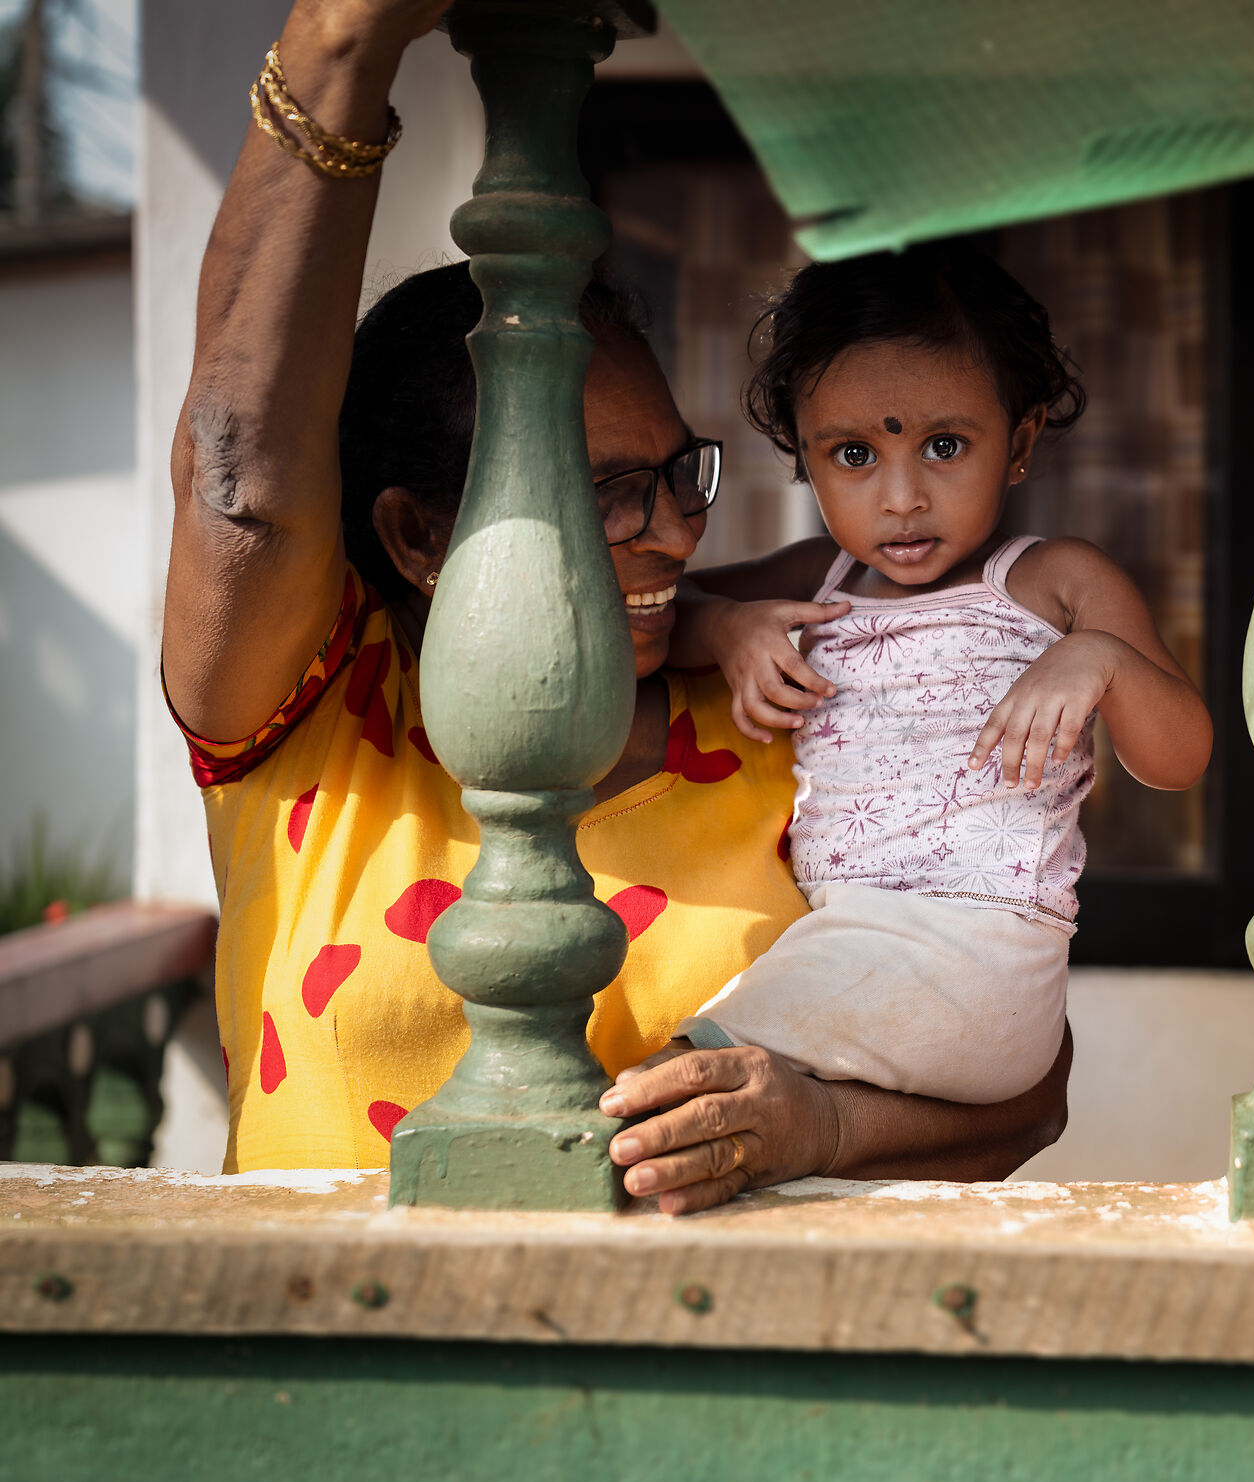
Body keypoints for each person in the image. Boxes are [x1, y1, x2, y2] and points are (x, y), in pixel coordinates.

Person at [163, 0, 1068, 1211]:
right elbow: (243, 491)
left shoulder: (785, 714)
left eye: (678, 475)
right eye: (608, 495)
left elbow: (1024, 1069)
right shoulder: (319, 714)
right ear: (418, 536)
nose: (682, 531)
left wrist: (822, 1124)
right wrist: (343, 38)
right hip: (337, 1372)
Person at [636, 246, 1212, 1104]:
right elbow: (660, 617)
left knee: (675, 1079)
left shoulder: (1056, 582)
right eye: (854, 455)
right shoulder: (814, 579)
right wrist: (729, 627)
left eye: (944, 445)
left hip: (979, 957)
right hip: (850, 943)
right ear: (803, 454)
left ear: (1018, 443)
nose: (902, 497)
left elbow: (1181, 758)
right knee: (721, 1114)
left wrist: (1102, 659)